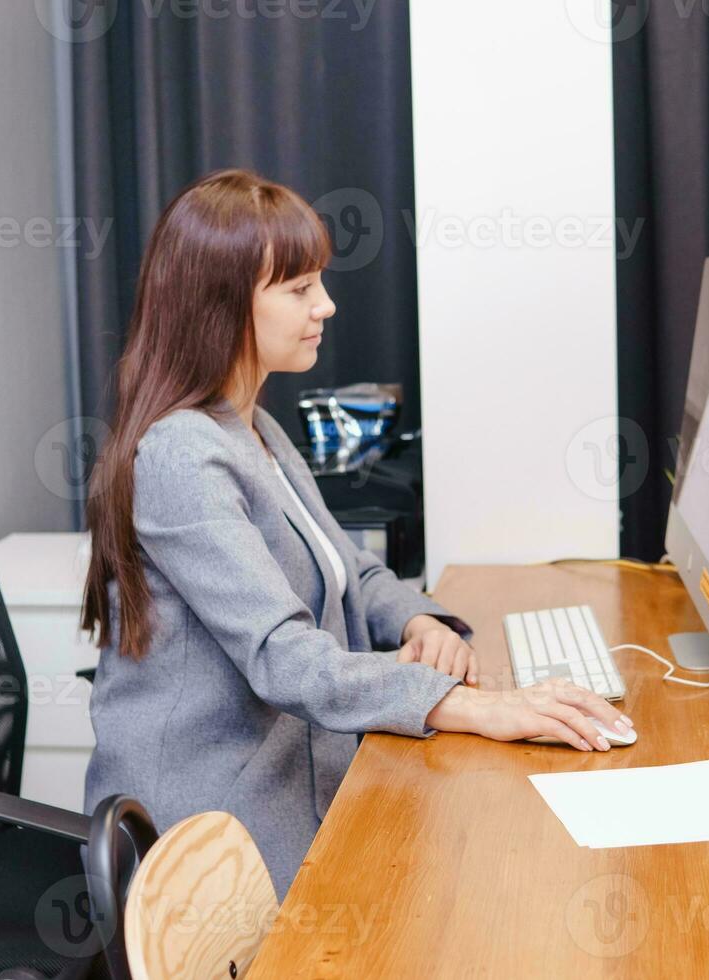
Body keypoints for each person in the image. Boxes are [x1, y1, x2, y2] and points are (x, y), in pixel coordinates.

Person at [81, 168, 630, 898]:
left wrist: (421, 618)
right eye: (300, 287)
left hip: (301, 771)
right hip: (212, 830)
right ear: (224, 302)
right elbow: (284, 657)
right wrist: (474, 704)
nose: (326, 305)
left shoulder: (254, 428)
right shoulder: (184, 454)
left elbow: (352, 572)